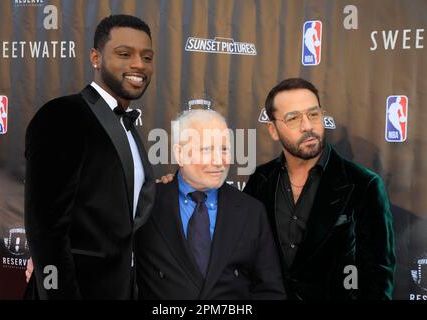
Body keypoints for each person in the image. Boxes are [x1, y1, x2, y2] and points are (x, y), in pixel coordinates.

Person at [24, 14, 156, 299]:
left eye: (147, 57)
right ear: (96, 58)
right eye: (124, 54)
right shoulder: (62, 116)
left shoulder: (128, 130)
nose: (139, 64)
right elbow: (45, 230)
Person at [243, 77, 396, 300]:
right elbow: (236, 242)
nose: (308, 126)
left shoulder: (363, 185)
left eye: (313, 114)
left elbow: (377, 278)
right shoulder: (261, 179)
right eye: (293, 118)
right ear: (273, 130)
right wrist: (176, 187)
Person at [135, 109, 286, 299]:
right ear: (180, 154)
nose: (218, 161)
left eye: (224, 149)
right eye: (206, 149)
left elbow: (269, 290)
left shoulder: (251, 211)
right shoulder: (147, 204)